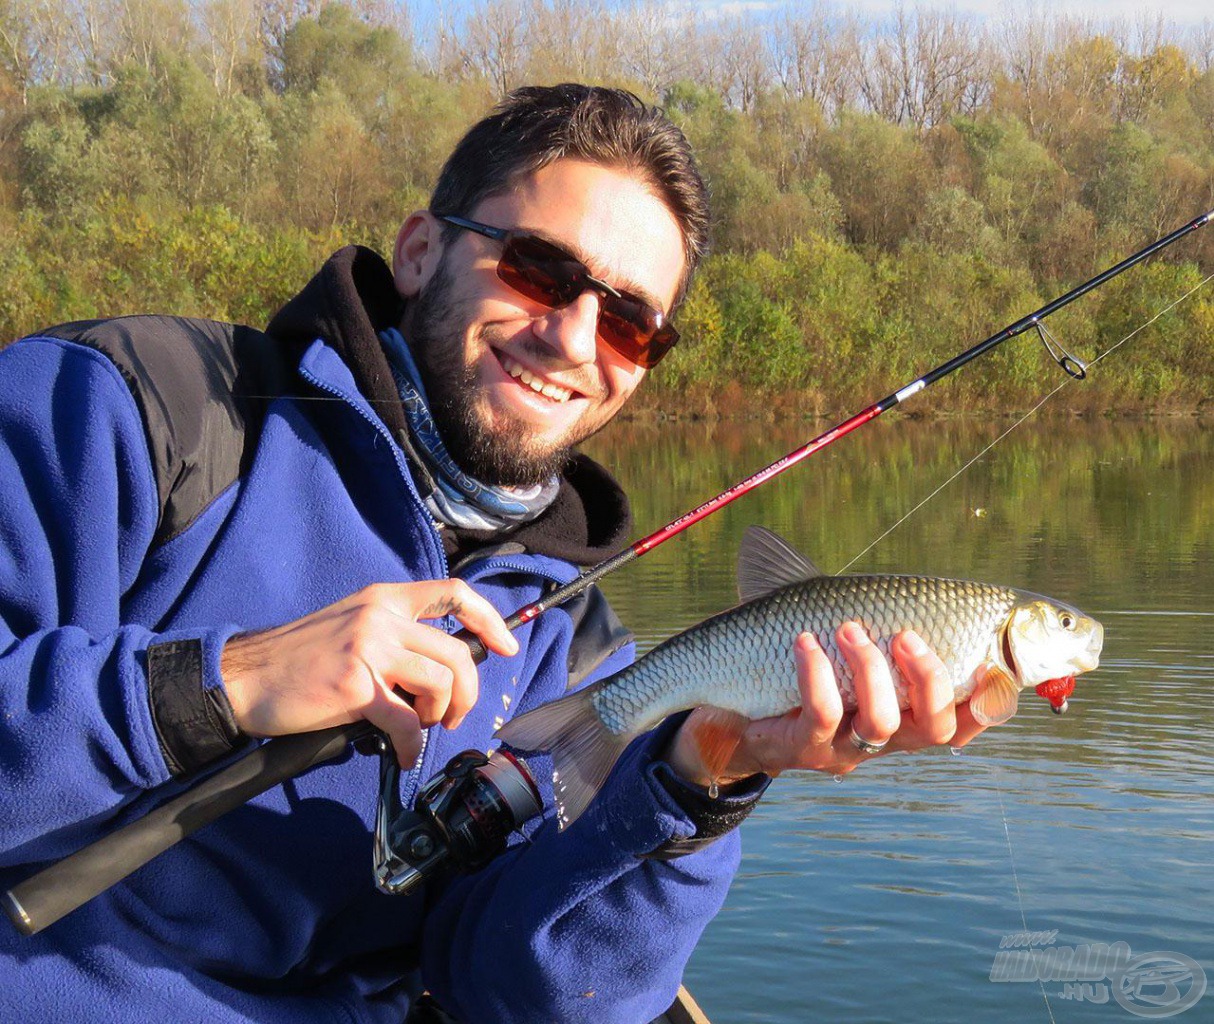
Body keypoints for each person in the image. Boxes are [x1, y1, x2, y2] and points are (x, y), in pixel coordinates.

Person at [0, 85, 989, 1023]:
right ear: (422, 250)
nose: (573, 338)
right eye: (538, 270)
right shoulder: (130, 409)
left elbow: (515, 997)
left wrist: (696, 782)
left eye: (633, 323)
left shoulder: (581, 642)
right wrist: (225, 683)